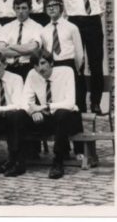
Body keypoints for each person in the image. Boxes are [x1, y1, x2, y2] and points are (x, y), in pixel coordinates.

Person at [22, 49, 83, 179]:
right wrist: (32, 111)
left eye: (43, 63)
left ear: (51, 63)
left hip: (70, 117)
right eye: (36, 65)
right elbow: (24, 100)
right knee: (19, 115)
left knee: (61, 114)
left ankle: (58, 160)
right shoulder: (32, 74)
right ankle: (19, 157)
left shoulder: (67, 71)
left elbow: (70, 103)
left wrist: (46, 107)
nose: (40, 68)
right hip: (49, 118)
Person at [63, 0, 107, 114]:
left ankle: (95, 103)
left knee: (96, 63)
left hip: (93, 21)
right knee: (78, 63)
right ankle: (79, 103)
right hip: (75, 22)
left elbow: (102, 2)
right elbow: (66, 5)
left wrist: (94, 16)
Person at [40, 0, 85, 112]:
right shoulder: (44, 30)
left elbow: (79, 52)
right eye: (48, 6)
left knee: (73, 95)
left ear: (61, 7)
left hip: (69, 64)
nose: (51, 8)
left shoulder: (72, 27)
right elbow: (45, 50)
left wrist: (77, 69)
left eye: (54, 5)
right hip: (54, 65)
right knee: (58, 94)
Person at [0, 0, 42, 80]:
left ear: (30, 9)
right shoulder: (6, 27)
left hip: (27, 67)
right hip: (9, 68)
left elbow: (33, 48)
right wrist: (25, 51)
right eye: (17, 8)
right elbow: (1, 50)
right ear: (14, 9)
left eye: (24, 8)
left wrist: (11, 46)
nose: (20, 11)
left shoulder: (37, 27)